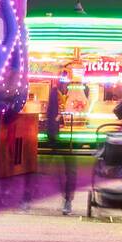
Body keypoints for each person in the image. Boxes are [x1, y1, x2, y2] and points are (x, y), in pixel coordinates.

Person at [44, 72, 77, 216]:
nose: (66, 82)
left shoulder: (64, 94)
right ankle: (67, 200)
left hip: (64, 136)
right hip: (59, 137)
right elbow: (52, 115)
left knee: (68, 170)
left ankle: (68, 200)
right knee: (63, 170)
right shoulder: (55, 94)